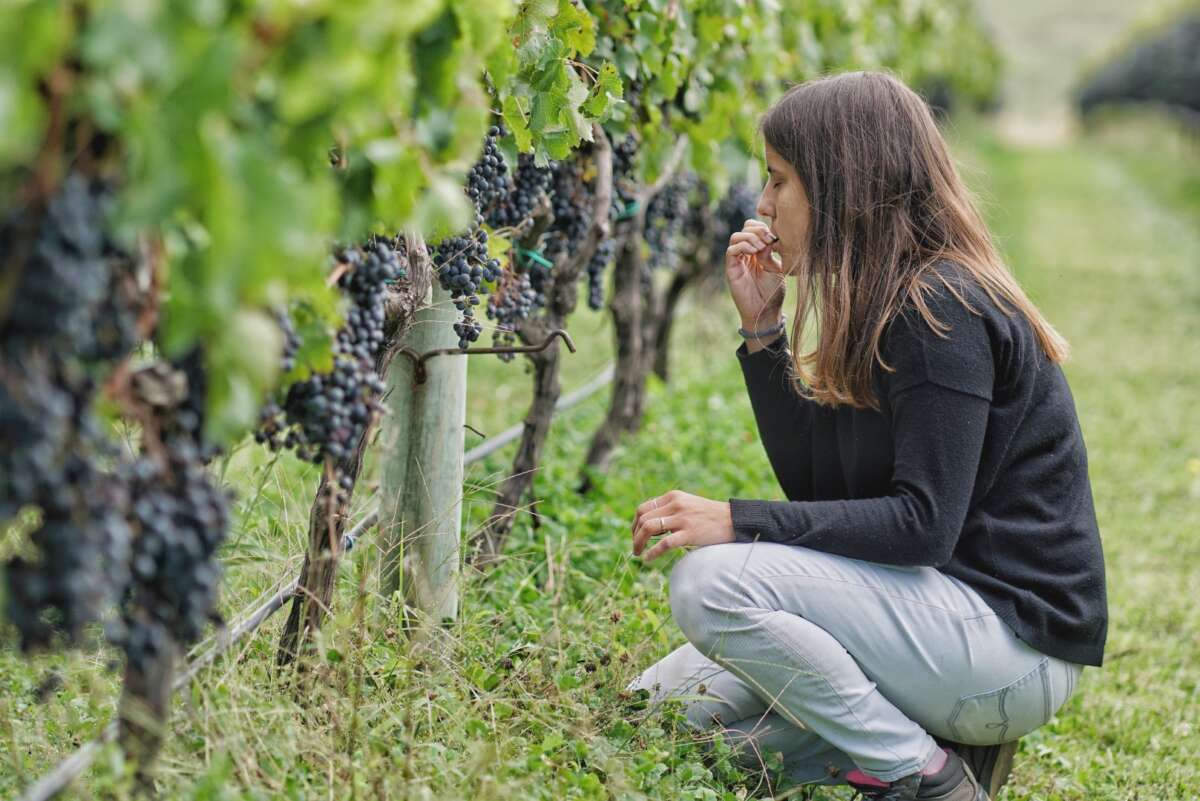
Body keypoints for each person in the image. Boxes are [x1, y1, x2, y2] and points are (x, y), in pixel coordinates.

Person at [624, 71, 1108, 801]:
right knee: (659, 715)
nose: (761, 204)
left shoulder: (939, 310)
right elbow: (822, 488)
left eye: (780, 180)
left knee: (708, 582)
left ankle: (924, 774)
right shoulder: (882, 302)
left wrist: (735, 521)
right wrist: (762, 333)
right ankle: (911, 740)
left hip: (1008, 648)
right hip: (931, 620)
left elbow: (923, 526)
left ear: (841, 184)